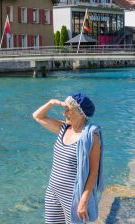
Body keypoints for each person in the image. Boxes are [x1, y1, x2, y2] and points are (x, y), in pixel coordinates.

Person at [32, 93, 104, 224]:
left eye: (68, 110)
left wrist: (83, 201)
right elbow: (37, 116)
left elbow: (94, 172)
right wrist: (51, 102)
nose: (64, 114)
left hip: (72, 196)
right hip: (53, 192)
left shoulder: (90, 138)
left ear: (81, 114)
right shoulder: (63, 129)